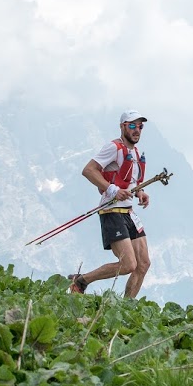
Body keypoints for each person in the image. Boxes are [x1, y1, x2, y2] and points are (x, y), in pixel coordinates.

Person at [67, 110, 153, 298]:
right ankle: (81, 281)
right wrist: (112, 189)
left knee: (143, 264)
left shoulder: (135, 152)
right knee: (128, 265)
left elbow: (130, 181)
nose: (137, 130)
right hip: (111, 211)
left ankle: (126, 307)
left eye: (140, 126)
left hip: (129, 213)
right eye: (132, 125)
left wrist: (140, 192)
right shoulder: (114, 147)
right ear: (122, 126)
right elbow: (88, 170)